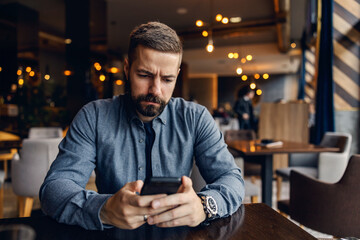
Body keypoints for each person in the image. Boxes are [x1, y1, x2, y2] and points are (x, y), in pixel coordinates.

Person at [39, 22, 244, 230]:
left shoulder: (196, 117)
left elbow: (231, 179)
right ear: (127, 69)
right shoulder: (94, 116)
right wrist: (104, 209)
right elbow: (53, 190)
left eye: (167, 79)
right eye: (145, 75)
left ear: (177, 76)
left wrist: (204, 206)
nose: (155, 90)